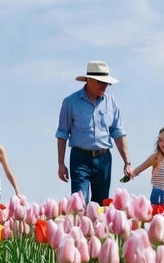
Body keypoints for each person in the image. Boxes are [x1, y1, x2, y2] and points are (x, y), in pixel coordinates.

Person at [55, 61, 132, 204]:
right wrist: (61, 163)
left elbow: (118, 132)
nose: (104, 86)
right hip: (80, 159)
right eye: (100, 82)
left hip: (104, 159)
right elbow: (62, 134)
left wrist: (127, 162)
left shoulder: (111, 102)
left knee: (101, 204)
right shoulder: (70, 102)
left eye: (107, 83)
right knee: (79, 202)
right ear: (89, 80)